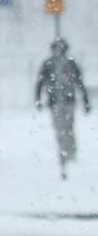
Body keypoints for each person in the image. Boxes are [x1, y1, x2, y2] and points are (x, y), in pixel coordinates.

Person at [34, 38, 90, 178]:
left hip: (65, 101)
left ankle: (67, 152)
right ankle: (66, 151)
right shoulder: (54, 64)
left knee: (65, 127)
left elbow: (79, 82)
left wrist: (85, 99)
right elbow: (40, 82)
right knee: (63, 127)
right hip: (58, 101)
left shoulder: (66, 63)